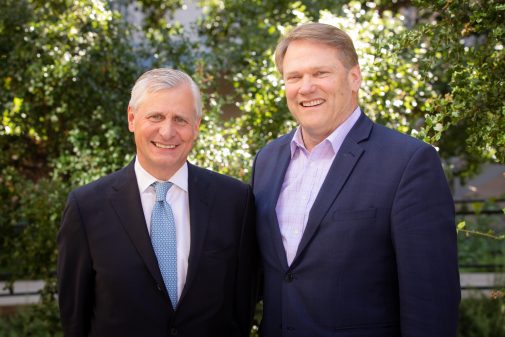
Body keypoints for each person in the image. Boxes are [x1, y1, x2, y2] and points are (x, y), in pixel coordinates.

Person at [252, 23, 460, 337]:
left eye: (321, 73)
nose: (306, 87)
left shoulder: (408, 163)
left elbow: (431, 301)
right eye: (294, 77)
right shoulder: (267, 161)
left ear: (354, 78)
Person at [57, 68, 257, 337]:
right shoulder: (87, 208)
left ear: (196, 126)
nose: (167, 131)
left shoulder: (235, 202)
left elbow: (242, 305)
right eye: (156, 116)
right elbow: (75, 318)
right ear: (132, 118)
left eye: (180, 119)